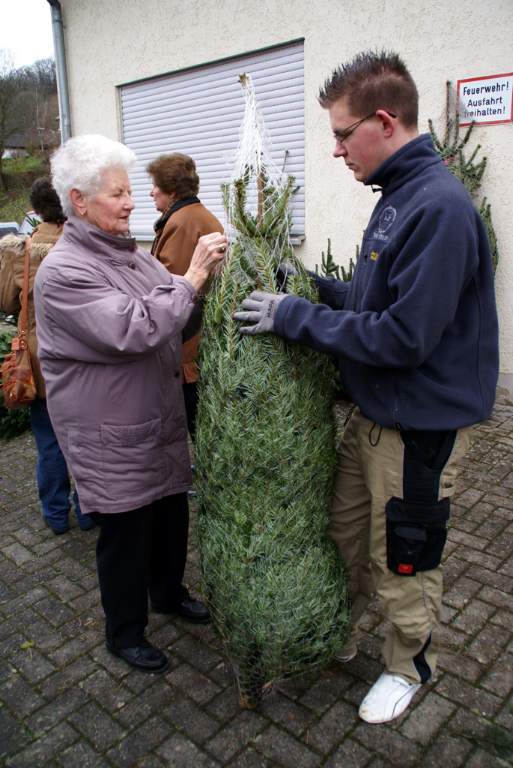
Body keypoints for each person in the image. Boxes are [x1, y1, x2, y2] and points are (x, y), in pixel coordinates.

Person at [234, 51, 499, 723]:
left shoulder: (437, 207)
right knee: (343, 534)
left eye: (342, 133)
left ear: (384, 121)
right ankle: (342, 633)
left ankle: (407, 665)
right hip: (375, 413)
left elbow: (404, 337)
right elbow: (377, 300)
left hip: (417, 426)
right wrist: (317, 291)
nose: (334, 150)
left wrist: (297, 318)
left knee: (401, 556)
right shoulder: (396, 198)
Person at [34, 134, 227, 673]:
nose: (131, 202)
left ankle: (167, 593)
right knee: (125, 536)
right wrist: (190, 278)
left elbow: (174, 316)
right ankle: (124, 631)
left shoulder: (132, 256)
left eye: (129, 192)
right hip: (110, 433)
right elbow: (135, 328)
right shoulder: (64, 273)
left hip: (154, 419)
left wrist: (203, 286)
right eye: (117, 194)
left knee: (169, 514)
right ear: (79, 201)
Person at [0, 177, 94, 534]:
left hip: (39, 358)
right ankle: (87, 511)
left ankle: (56, 516)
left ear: (37, 209)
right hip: (81, 354)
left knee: (48, 441)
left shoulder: (20, 250)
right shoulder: (85, 245)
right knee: (82, 439)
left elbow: (6, 302)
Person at [147, 152, 223, 438]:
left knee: (195, 423)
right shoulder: (194, 216)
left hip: (188, 340)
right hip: (197, 335)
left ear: (173, 190)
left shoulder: (182, 223)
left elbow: (170, 288)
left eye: (156, 185)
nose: (151, 191)